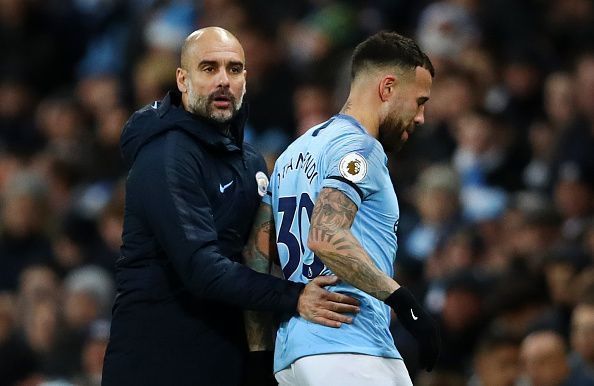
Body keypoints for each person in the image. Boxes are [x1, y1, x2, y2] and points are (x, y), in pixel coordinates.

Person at [101, 27, 360, 386]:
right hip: (158, 360)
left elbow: (258, 254)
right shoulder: (167, 156)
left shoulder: (250, 160)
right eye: (209, 68)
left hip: (222, 357)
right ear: (183, 79)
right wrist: (295, 297)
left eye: (234, 69)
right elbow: (201, 267)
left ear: (245, 79)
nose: (223, 80)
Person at [244, 31, 440, 386]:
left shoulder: (291, 154)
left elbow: (256, 256)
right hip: (348, 344)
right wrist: (404, 302)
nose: (421, 117)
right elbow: (326, 235)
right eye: (420, 101)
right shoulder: (360, 148)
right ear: (388, 88)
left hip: (293, 356)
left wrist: (260, 352)